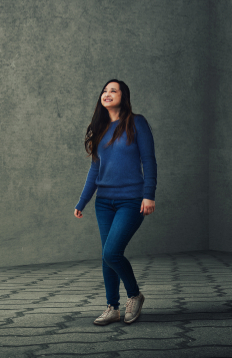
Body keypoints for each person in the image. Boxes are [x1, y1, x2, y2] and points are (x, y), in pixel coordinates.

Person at [73, 79, 157, 325]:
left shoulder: (136, 123)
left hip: (131, 200)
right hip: (104, 202)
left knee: (112, 252)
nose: (107, 94)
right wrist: (82, 202)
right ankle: (112, 307)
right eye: (104, 91)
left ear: (124, 96)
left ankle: (135, 295)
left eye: (113, 90)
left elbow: (149, 161)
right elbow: (95, 169)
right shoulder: (100, 129)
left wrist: (149, 194)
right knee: (106, 256)